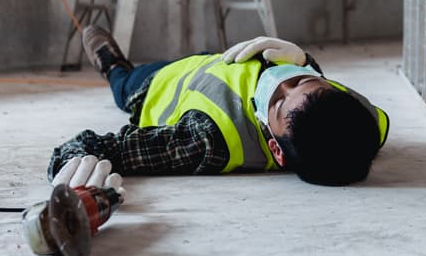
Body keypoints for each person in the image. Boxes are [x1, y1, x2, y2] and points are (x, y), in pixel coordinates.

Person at [47, 26, 389, 186]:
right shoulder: (362, 118)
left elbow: (108, 148)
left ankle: (109, 60)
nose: (280, 81)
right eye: (301, 81)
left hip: (165, 83)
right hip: (221, 58)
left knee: (124, 87)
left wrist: (72, 162)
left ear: (276, 150)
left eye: (279, 103)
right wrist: (305, 61)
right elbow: (371, 123)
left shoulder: (207, 141)